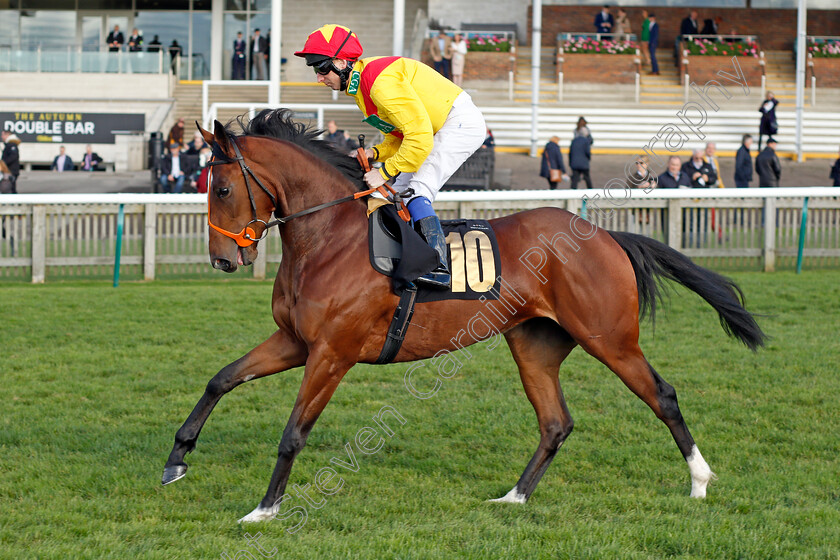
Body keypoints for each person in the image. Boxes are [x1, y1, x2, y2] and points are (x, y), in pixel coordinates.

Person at [295, 24, 487, 289]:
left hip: (457, 123)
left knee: (418, 191)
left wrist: (383, 171)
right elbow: (398, 138)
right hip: (432, 129)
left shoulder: (379, 83)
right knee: (384, 194)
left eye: (320, 67)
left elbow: (419, 137)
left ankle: (438, 267)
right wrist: (373, 153)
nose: (318, 77)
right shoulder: (362, 88)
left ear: (340, 62)